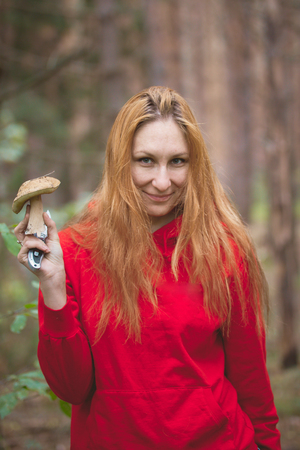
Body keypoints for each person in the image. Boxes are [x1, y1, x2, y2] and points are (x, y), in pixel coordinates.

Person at [15, 86, 281, 450]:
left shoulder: (224, 249)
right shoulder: (75, 252)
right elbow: (71, 388)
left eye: (177, 162)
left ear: (195, 164)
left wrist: (268, 443)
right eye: (145, 160)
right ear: (120, 160)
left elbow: (250, 377)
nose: (162, 181)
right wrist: (53, 288)